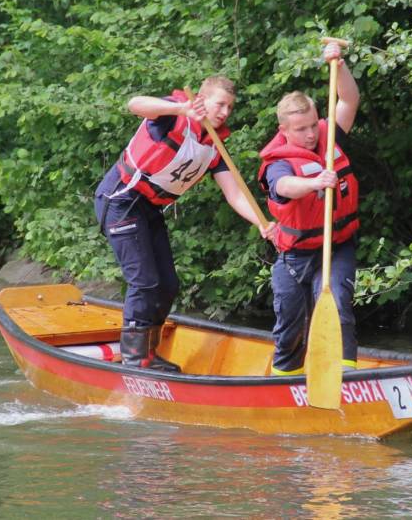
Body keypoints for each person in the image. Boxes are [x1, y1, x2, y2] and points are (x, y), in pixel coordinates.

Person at [94, 76, 276, 372]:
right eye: (220, 104)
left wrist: (262, 222)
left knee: (167, 285)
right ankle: (134, 358)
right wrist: (183, 110)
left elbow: (234, 194)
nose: (225, 112)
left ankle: (147, 352)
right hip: (120, 200)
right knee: (145, 282)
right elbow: (134, 104)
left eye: (230, 107)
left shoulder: (214, 146)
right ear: (203, 101)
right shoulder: (172, 114)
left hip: (149, 209)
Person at [257, 43, 360, 375]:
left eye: (313, 125)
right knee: (290, 321)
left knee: (338, 304)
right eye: (300, 129)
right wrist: (316, 183)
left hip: (336, 246)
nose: (310, 134)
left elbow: (348, 100)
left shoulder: (329, 137)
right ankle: (283, 376)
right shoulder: (279, 162)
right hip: (295, 257)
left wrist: (339, 65)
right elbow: (284, 187)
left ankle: (345, 376)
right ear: (284, 131)